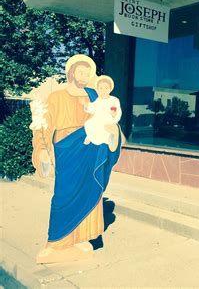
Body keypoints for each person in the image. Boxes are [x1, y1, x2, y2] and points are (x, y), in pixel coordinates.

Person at [31, 54, 122, 264]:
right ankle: (56, 242)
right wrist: (42, 148)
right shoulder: (57, 97)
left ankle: (81, 237)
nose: (84, 75)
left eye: (88, 72)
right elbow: (44, 124)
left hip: (90, 147)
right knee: (64, 194)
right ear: (71, 73)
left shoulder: (93, 95)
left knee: (90, 188)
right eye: (80, 71)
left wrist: (113, 130)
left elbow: (107, 115)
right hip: (67, 148)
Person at [83, 75, 122, 151]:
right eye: (101, 88)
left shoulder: (114, 100)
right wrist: (87, 106)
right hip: (98, 118)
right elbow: (93, 108)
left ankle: (108, 139)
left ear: (110, 89)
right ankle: (90, 137)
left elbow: (117, 111)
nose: (103, 90)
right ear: (98, 89)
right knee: (88, 123)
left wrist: (114, 115)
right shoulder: (98, 99)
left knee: (104, 126)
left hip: (108, 118)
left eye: (106, 88)